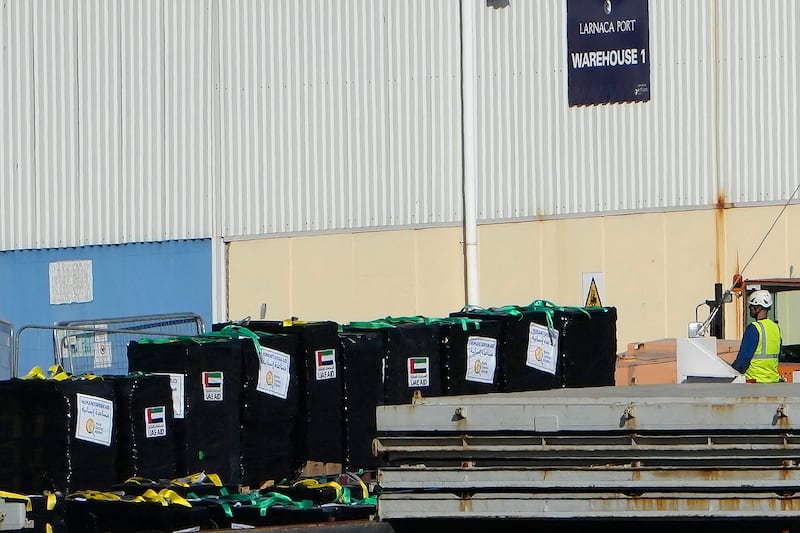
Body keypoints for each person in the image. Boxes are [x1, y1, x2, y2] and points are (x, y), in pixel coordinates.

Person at [731, 289, 782, 383]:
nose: (750, 308)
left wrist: (730, 373)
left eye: (751, 306)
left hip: (754, 382)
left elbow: (743, 359)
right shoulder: (775, 328)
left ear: (758, 308)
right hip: (773, 381)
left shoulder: (754, 328)